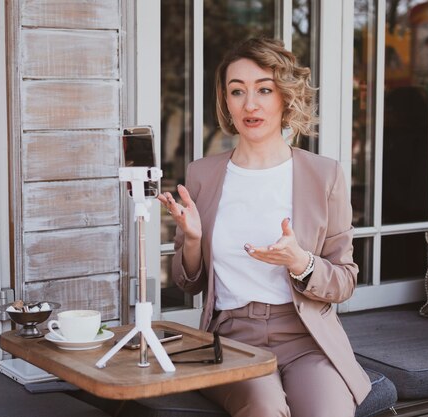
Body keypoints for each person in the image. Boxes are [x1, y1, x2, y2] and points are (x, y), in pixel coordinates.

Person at [157, 37, 370, 416]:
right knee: (265, 409)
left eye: (264, 90)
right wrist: (192, 239)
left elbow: (345, 281)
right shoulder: (203, 174)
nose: (249, 104)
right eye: (237, 91)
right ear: (225, 100)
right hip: (234, 338)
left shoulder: (324, 174)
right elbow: (188, 283)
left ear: (285, 97)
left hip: (308, 339)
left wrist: (300, 262)